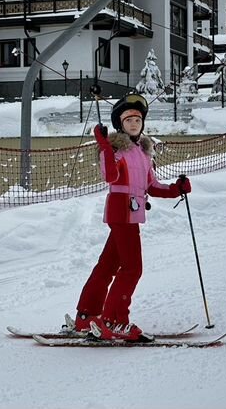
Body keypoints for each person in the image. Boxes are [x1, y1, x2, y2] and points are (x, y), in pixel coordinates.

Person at [74, 93, 191, 341]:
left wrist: (176, 189)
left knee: (107, 265)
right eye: (128, 120)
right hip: (121, 211)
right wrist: (104, 145)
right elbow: (110, 176)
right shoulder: (116, 149)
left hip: (132, 213)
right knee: (132, 269)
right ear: (120, 124)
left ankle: (87, 316)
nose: (134, 123)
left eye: (138, 119)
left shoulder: (143, 153)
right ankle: (114, 322)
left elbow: (152, 186)